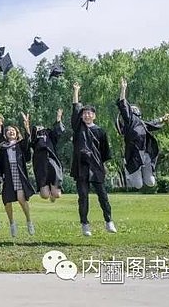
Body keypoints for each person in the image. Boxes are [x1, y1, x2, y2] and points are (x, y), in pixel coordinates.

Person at [71, 82, 116, 236]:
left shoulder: (100, 131)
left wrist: (102, 166)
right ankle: (85, 224)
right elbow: (75, 109)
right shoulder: (78, 128)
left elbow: (105, 151)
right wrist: (76, 91)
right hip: (81, 167)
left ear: (94, 115)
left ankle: (109, 221)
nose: (87, 115)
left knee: (103, 196)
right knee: (83, 197)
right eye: (84, 113)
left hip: (96, 167)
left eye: (89, 113)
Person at [117, 78, 169, 189]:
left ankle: (148, 171)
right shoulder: (129, 121)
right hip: (134, 155)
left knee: (151, 182)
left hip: (145, 153)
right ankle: (129, 174)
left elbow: (152, 123)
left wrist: (162, 119)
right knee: (138, 185)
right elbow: (123, 105)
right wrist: (123, 89)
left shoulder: (142, 123)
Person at [0, 116, 35, 237]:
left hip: (19, 173)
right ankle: (12, 224)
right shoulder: (3, 148)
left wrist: (26, 126)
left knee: (21, 199)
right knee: (7, 201)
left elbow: (28, 142)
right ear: (6, 134)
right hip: (8, 175)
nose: (11, 132)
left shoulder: (20, 144)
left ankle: (29, 221)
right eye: (8, 130)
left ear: (16, 133)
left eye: (13, 130)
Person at [26, 109, 65, 201]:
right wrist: (27, 126)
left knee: (57, 195)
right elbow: (28, 141)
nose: (40, 129)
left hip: (53, 162)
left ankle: (53, 190)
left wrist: (58, 118)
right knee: (44, 195)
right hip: (40, 165)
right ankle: (48, 190)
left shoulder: (50, 135)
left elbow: (58, 132)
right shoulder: (34, 140)